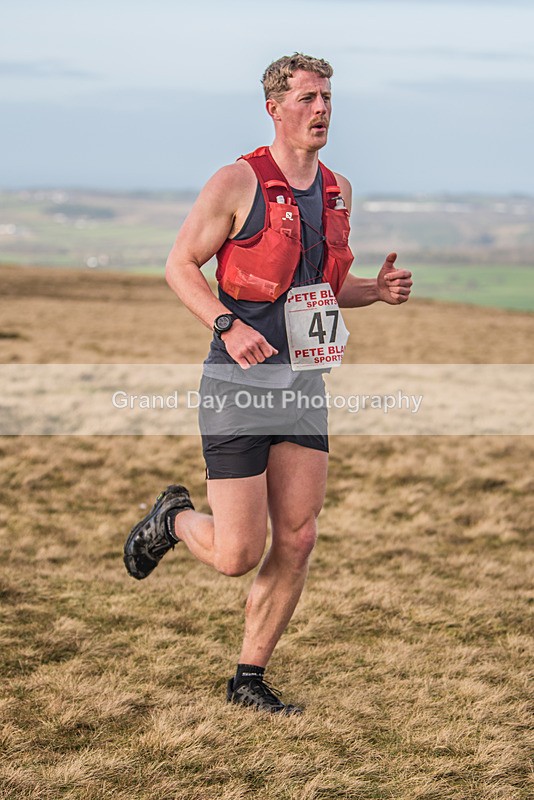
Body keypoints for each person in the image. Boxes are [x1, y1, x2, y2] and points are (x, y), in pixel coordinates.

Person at [123, 53, 412, 715]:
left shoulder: (337, 188)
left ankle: (247, 679)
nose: (321, 109)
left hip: (303, 385)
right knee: (235, 553)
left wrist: (376, 291)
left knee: (301, 536)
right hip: (238, 384)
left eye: (327, 98)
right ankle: (172, 518)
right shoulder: (237, 181)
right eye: (308, 98)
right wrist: (226, 323)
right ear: (274, 109)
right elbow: (179, 265)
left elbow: (323, 288)